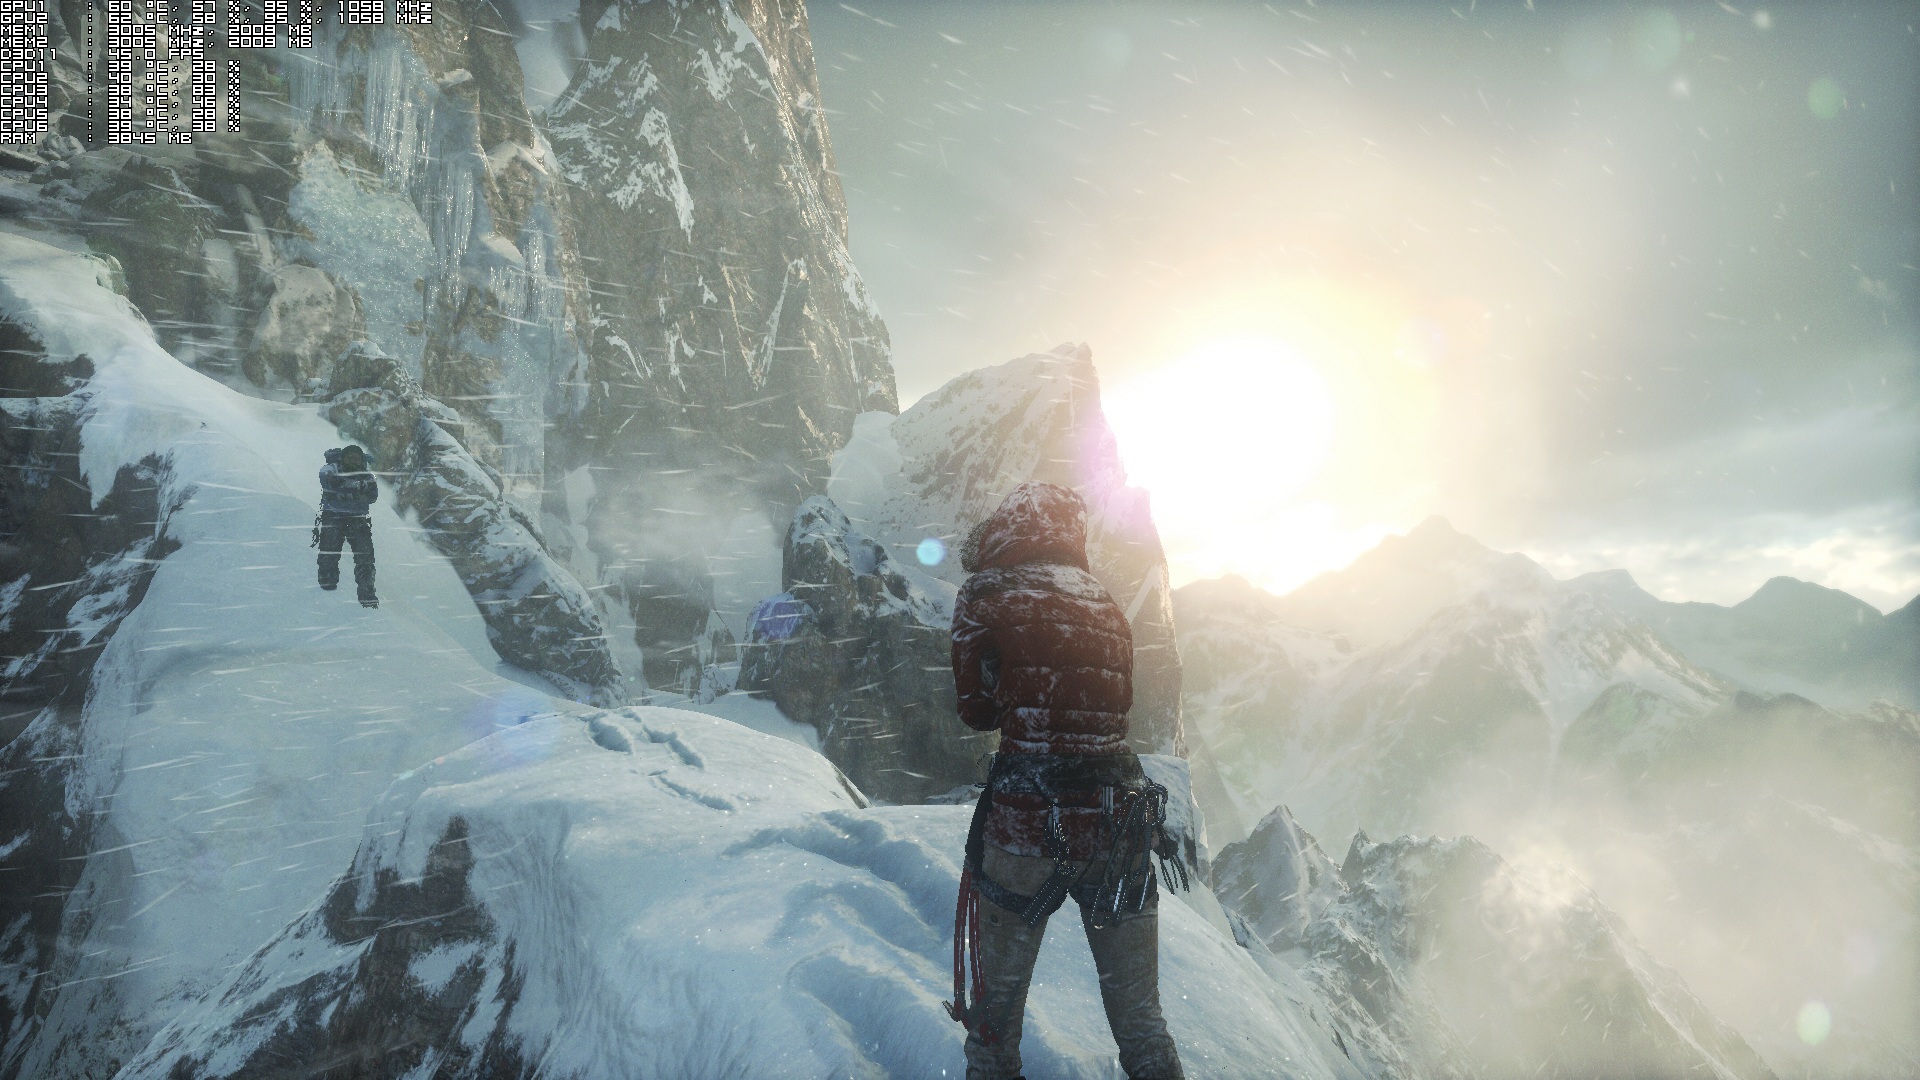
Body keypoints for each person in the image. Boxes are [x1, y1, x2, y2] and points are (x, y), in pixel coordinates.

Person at [946, 481, 1186, 1080]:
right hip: (1117, 821)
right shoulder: (1105, 604)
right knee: (1142, 1024)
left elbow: (975, 711)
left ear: (1004, 531)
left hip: (1025, 821)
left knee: (995, 1028)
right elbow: (1118, 709)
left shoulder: (984, 594)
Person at [316, 444, 379, 608]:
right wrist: (356, 488)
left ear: (361, 460)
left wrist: (345, 487)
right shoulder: (332, 469)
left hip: (353, 518)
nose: (352, 460)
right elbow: (327, 481)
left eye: (355, 458)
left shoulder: (366, 476)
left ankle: (366, 593)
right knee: (330, 551)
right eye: (349, 457)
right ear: (343, 458)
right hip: (336, 516)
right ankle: (327, 585)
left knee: (364, 556)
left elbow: (373, 495)